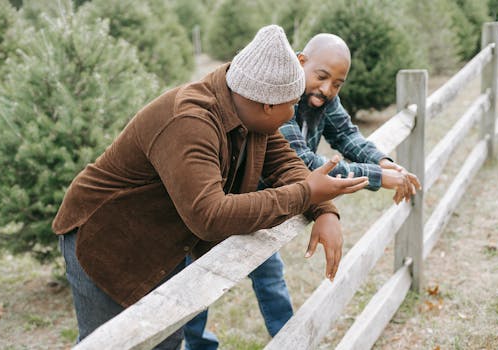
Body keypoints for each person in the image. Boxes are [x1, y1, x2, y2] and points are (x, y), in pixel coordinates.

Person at [52, 25, 369, 350]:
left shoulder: (250, 107)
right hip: (105, 239)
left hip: (163, 239)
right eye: (292, 104)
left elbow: (287, 166)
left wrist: (324, 210)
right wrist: (305, 194)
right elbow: (210, 215)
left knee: (166, 338)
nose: (293, 112)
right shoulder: (189, 121)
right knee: (109, 343)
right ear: (269, 106)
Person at [184, 33, 422, 349]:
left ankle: (289, 341)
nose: (327, 89)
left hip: (272, 207)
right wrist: (376, 176)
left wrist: (382, 161)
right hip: (234, 197)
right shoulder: (279, 96)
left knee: (271, 276)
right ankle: (198, 344)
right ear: (300, 62)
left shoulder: (325, 99)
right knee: (197, 278)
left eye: (337, 84)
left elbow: (347, 136)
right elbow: (302, 161)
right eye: (322, 77)